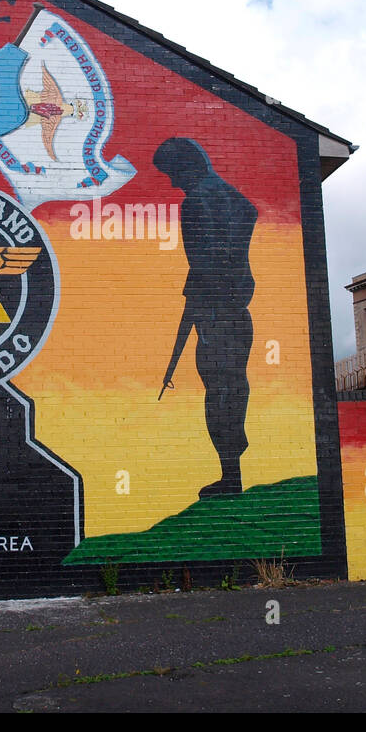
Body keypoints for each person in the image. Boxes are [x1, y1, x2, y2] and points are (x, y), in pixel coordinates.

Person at [154, 137, 258, 498]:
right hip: (237, 311)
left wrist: (204, 288)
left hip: (214, 314)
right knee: (234, 389)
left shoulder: (196, 201)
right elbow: (248, 218)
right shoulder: (235, 199)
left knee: (219, 394)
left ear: (187, 166)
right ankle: (233, 474)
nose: (172, 182)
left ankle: (231, 477)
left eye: (172, 173)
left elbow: (202, 267)